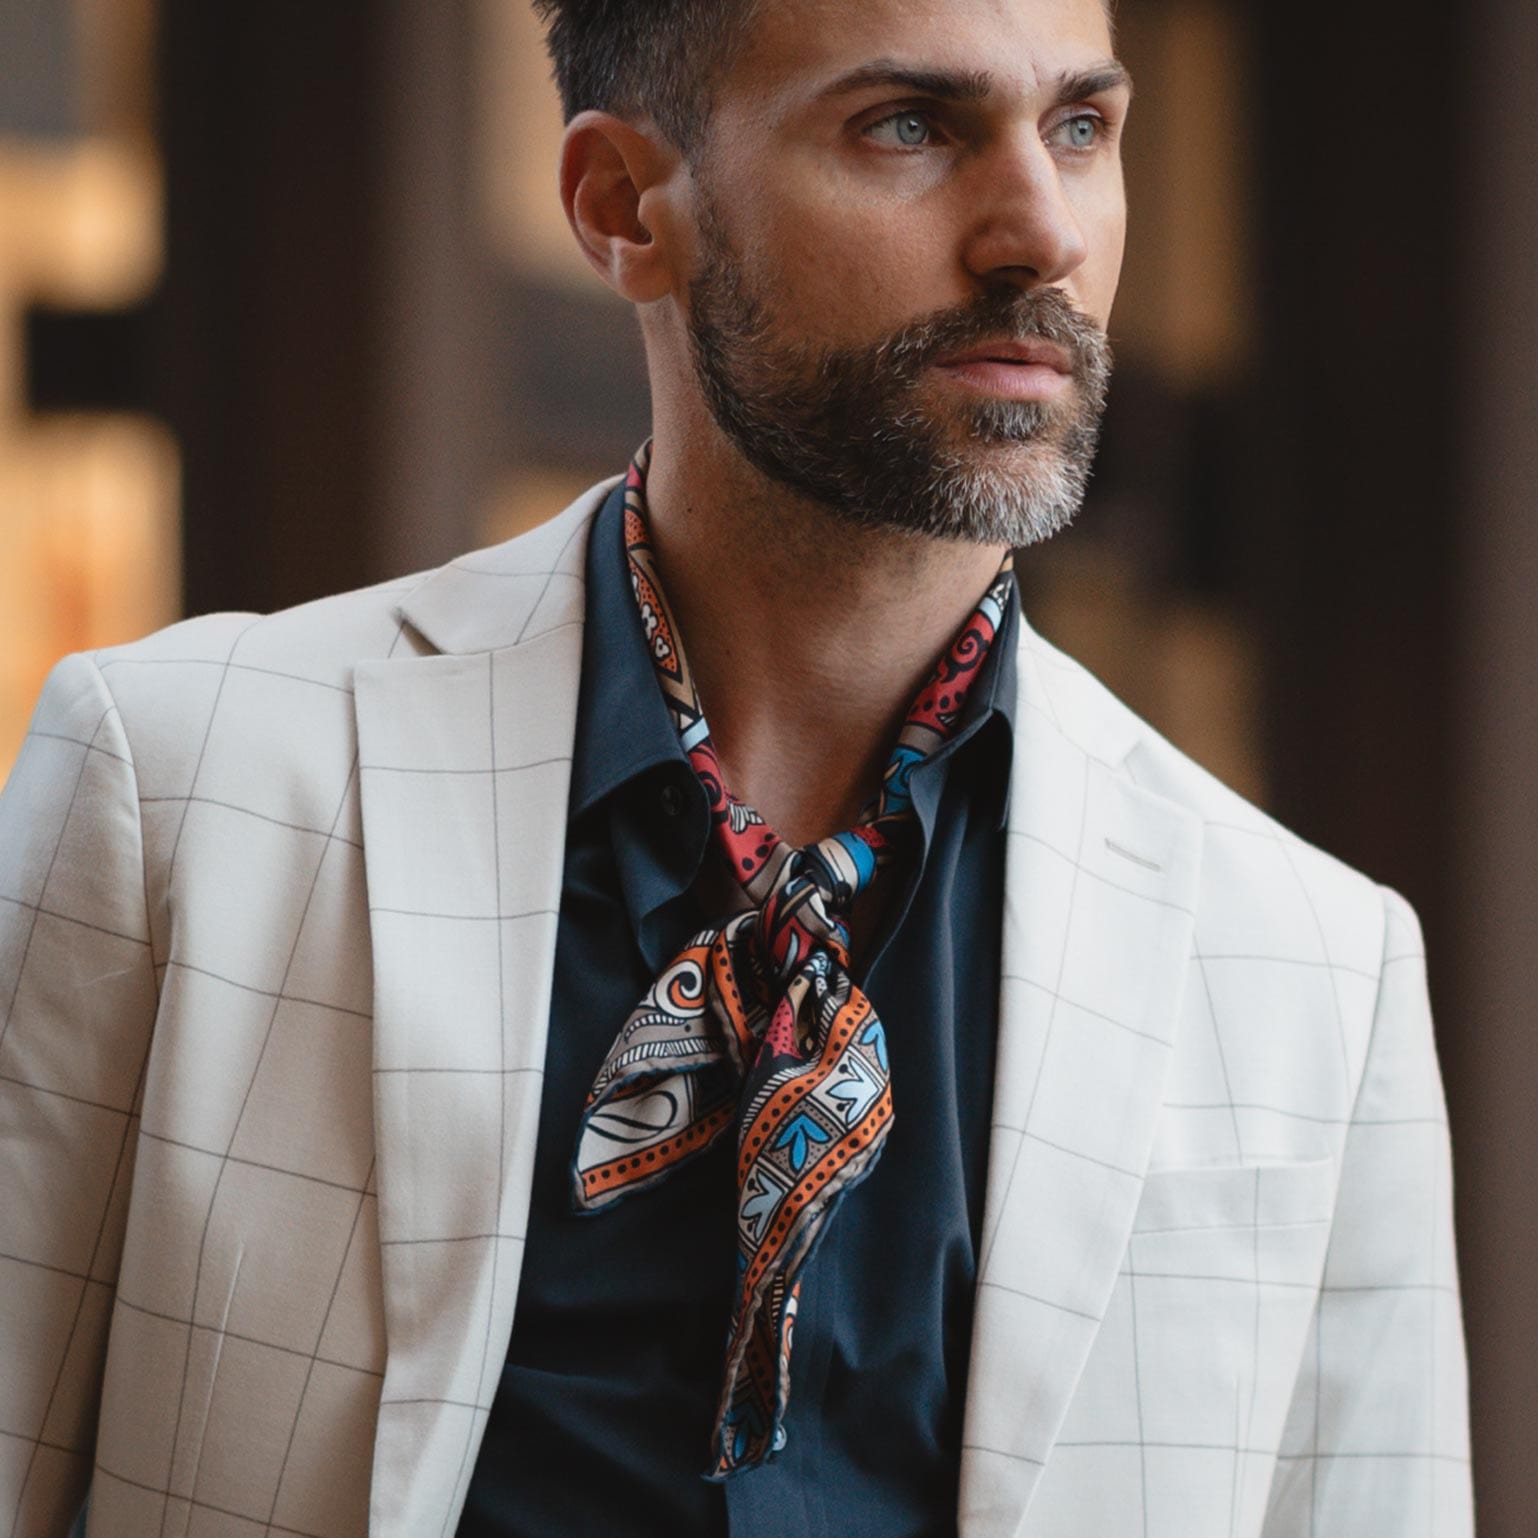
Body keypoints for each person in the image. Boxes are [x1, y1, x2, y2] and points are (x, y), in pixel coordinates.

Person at [0, 0, 1472, 1534]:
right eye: (907, 124)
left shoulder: (1308, 962)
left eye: (1080, 129)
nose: (1038, 231)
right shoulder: (181, 785)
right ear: (625, 208)